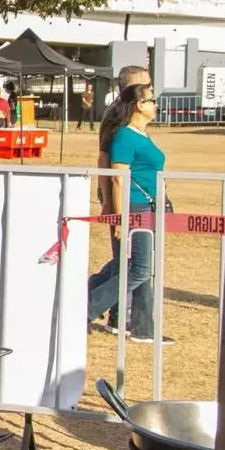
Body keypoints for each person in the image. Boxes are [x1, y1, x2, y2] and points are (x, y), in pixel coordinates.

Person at [86, 83, 174, 345]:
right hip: (134, 207)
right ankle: (88, 308)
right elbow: (118, 180)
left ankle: (142, 326)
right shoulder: (125, 136)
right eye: (152, 100)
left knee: (134, 266)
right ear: (139, 105)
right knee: (139, 268)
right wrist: (120, 217)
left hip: (149, 207)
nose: (155, 105)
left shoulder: (141, 134)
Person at [90, 66, 153, 335]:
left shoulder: (131, 119)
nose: (151, 92)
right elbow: (107, 161)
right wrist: (108, 202)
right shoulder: (116, 116)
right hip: (124, 198)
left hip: (136, 197)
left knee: (129, 264)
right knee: (133, 265)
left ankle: (129, 320)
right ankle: (94, 305)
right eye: (146, 86)